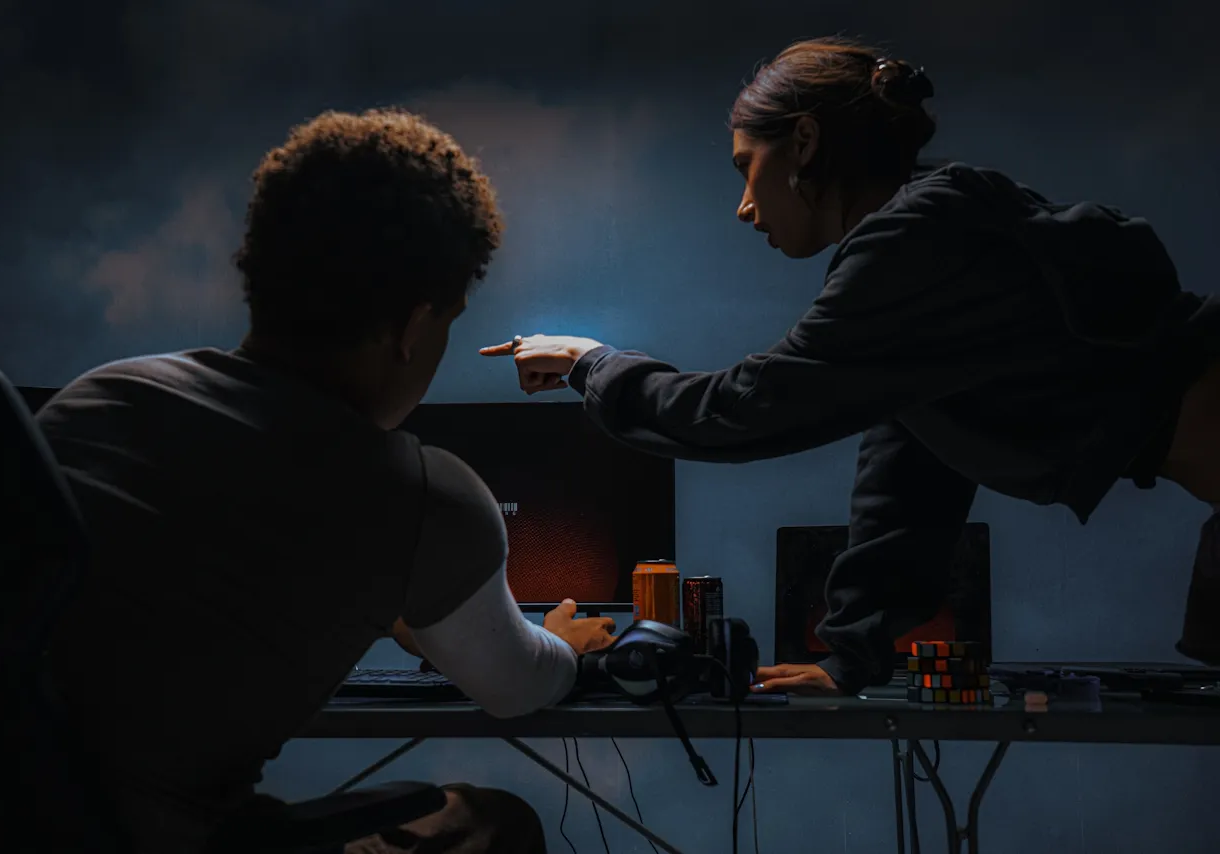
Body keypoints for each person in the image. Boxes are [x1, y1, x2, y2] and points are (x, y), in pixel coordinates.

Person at [481, 36, 1220, 697]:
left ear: (803, 141)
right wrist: (851, 656)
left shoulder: (913, 243)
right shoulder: (930, 249)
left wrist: (592, 363)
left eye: (748, 167)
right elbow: (910, 470)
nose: (744, 206)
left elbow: (745, 409)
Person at [37, 108, 615, 854]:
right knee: (494, 824)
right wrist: (560, 645)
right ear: (413, 326)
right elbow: (517, 687)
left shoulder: (96, 400)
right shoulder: (421, 496)